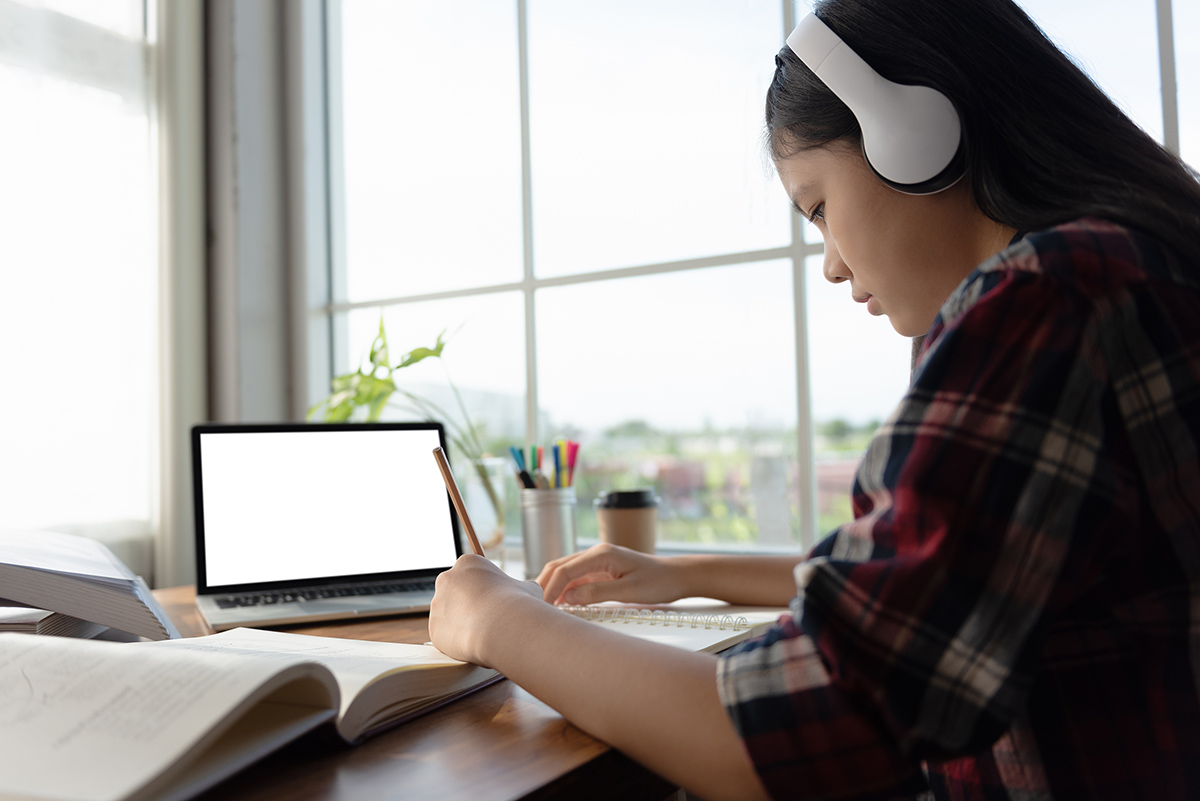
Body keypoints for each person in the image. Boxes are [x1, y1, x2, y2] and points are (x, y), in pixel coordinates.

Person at [428, 0, 1200, 798]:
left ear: (913, 134)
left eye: (821, 207)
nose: (831, 265)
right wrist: (679, 571)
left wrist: (500, 620)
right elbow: (937, 575)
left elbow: (812, 726)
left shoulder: (1047, 304)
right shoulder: (1135, 265)